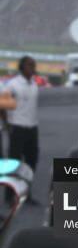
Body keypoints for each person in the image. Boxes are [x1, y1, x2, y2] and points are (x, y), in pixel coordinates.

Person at [3, 56, 39, 204]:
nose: (33, 68)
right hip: (17, 127)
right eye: (30, 65)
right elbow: (3, 104)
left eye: (34, 65)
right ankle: (9, 195)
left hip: (32, 127)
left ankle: (26, 194)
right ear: (22, 67)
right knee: (14, 163)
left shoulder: (34, 84)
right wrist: (6, 124)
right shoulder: (13, 85)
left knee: (31, 162)